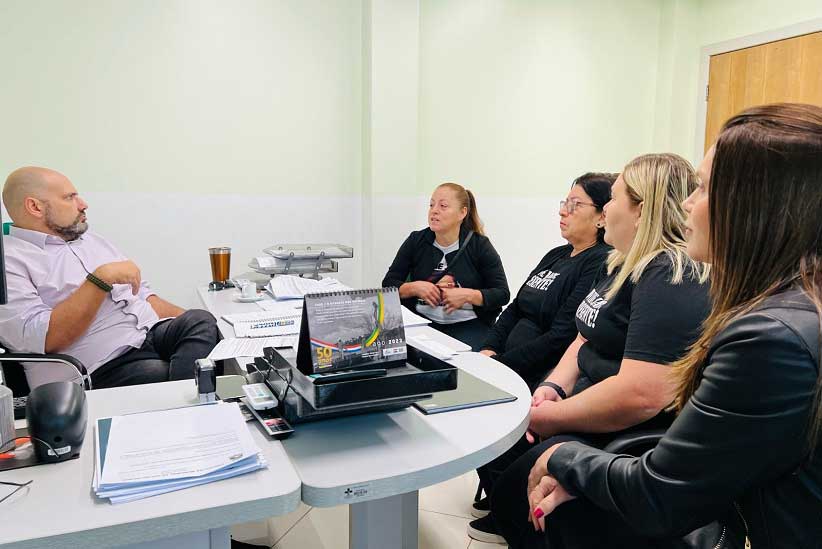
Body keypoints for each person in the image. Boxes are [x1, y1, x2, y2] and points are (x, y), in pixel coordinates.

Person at [525, 104, 822, 548]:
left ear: (752, 207)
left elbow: (659, 494)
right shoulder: (792, 305)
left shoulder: (771, 338)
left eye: (702, 188)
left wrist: (562, 457)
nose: (686, 202)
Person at [481, 154, 710, 546]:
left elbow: (640, 395)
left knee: (519, 484)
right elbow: (583, 336)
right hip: (581, 401)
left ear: (642, 209)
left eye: (614, 198)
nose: (606, 208)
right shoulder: (619, 263)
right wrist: (552, 389)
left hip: (622, 431)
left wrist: (553, 418)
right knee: (497, 446)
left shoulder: (668, 275)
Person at [0, 167, 219, 389]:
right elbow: (46, 338)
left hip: (148, 335)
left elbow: (143, 296)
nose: (83, 204)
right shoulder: (9, 260)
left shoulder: (90, 240)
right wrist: (99, 280)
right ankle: (191, 402)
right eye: (69, 197)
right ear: (35, 207)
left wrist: (213, 330)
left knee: (201, 321)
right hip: (99, 367)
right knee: (175, 374)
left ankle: (187, 400)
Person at [480, 172, 615, 390]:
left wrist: (500, 365)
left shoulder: (600, 261)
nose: (563, 211)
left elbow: (562, 335)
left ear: (602, 217)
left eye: (576, 205)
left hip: (535, 376)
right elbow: (515, 307)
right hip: (502, 364)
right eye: (565, 203)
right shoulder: (556, 254)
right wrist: (488, 348)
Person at [382, 182, 509, 351]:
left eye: (443, 206)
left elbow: (502, 294)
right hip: (423, 324)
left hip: (469, 326)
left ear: (462, 213)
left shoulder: (479, 245)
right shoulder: (416, 241)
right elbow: (388, 285)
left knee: (467, 364)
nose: (434, 210)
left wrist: (468, 295)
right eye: (431, 205)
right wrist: (414, 287)